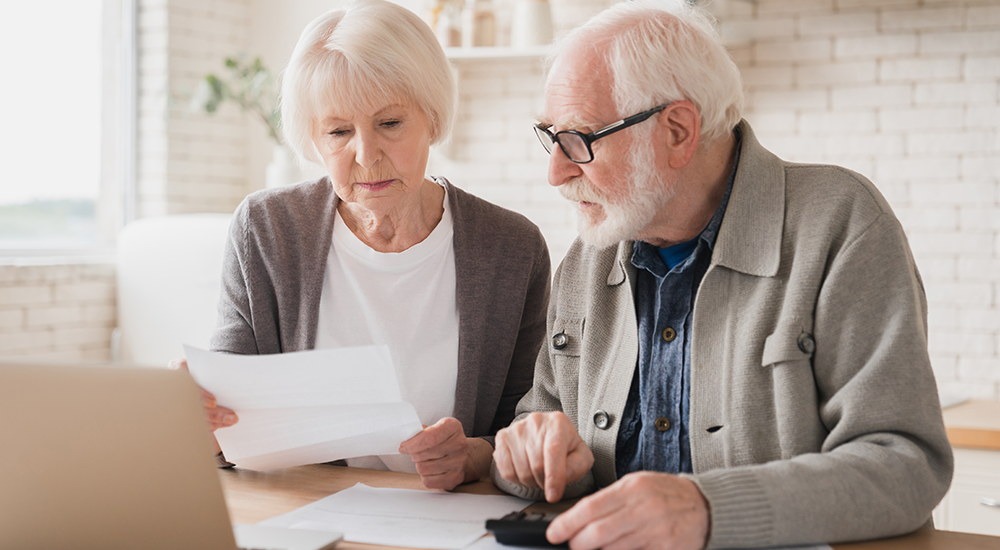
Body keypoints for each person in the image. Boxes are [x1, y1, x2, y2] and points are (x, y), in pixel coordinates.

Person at [490, 1, 953, 548]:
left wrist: (707, 509)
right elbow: (535, 429)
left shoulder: (841, 223)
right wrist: (530, 456)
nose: (556, 172)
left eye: (580, 140)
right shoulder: (587, 257)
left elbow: (905, 464)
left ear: (679, 130)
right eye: (551, 136)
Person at [173, 0, 550, 492]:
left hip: (448, 517)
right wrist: (198, 417)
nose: (366, 155)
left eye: (390, 124)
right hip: (303, 511)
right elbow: (228, 429)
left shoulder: (511, 248)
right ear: (314, 138)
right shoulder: (266, 231)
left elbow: (530, 425)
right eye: (338, 131)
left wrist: (475, 456)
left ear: (432, 118)